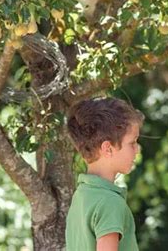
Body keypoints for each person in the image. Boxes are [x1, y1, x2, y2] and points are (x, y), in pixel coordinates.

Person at [65, 97, 144, 251]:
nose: (137, 150)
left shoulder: (81, 195)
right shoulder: (110, 202)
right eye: (132, 143)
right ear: (107, 148)